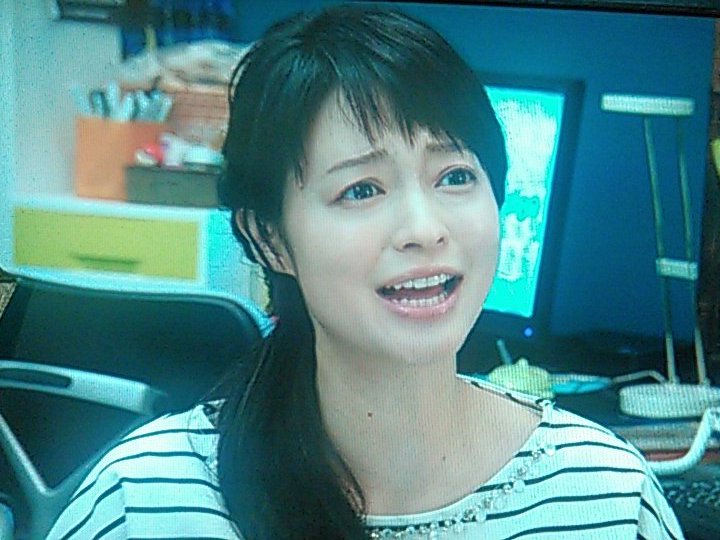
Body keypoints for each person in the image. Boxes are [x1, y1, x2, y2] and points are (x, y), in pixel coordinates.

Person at [48, 5, 684, 539]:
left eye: (455, 176)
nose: (424, 229)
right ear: (270, 238)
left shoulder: (605, 497)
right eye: (361, 190)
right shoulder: (146, 499)